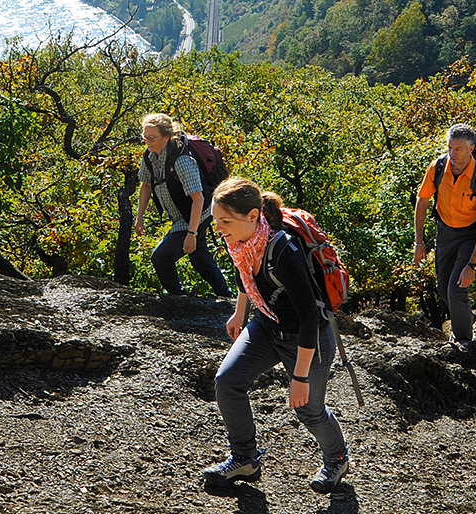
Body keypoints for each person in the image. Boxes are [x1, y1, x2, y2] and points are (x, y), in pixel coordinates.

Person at [202, 176, 351, 493]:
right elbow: (246, 276)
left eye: (225, 220)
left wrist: (298, 378)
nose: (219, 228)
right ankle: (245, 458)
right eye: (216, 220)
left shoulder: (282, 249)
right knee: (227, 382)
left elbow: (309, 317)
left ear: (253, 216)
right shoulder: (241, 240)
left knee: (307, 410)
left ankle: (337, 458)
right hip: (268, 324)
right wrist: (240, 312)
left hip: (306, 338)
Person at [412, 123, 476, 345]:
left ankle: (463, 341)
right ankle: (466, 318)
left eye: (458, 149)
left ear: (471, 149)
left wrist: (472, 266)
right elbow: (422, 202)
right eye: (450, 148)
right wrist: (419, 242)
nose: (453, 154)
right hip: (445, 232)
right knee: (443, 289)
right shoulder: (438, 167)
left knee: (457, 289)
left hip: (471, 234)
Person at [135, 112, 233, 298]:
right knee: (198, 256)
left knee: (161, 257)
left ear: (166, 137)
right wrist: (139, 217)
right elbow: (146, 185)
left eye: (152, 138)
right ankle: (225, 296)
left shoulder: (182, 161)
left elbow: (198, 199)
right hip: (182, 214)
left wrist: (191, 233)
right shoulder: (150, 155)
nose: (147, 141)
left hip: (197, 212)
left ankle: (177, 299)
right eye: (145, 136)